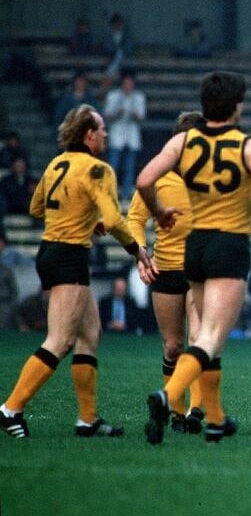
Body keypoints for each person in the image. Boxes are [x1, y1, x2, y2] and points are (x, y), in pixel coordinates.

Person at [138, 71, 251, 444]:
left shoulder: (184, 142)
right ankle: (168, 396)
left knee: (207, 336)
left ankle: (216, 418)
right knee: (211, 336)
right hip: (228, 245)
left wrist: (159, 212)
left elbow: (143, 181)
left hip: (194, 247)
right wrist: (244, 201)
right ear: (236, 106)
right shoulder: (246, 145)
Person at [0, 104, 155, 439]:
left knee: (89, 335)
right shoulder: (98, 169)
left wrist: (80, 217)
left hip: (52, 251)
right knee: (60, 340)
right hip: (68, 256)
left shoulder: (57, 164)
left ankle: (87, 419)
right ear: (89, 134)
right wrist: (137, 250)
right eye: (101, 129)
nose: (105, 134)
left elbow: (35, 207)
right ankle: (10, 408)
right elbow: (115, 220)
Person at [126, 111, 203, 434]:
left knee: (199, 339)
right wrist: (140, 254)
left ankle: (197, 409)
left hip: (201, 270)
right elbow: (133, 219)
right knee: (173, 345)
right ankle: (175, 411)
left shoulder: (209, 179)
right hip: (167, 269)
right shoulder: (157, 178)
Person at [103, 71, 146, 199]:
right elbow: (107, 115)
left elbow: (141, 117)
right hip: (117, 134)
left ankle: (126, 196)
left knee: (129, 168)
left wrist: (134, 115)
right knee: (113, 166)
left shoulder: (139, 97)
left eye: (130, 83)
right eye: (126, 83)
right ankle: (109, 194)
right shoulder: (113, 96)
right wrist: (117, 113)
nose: (128, 86)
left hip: (131, 135)